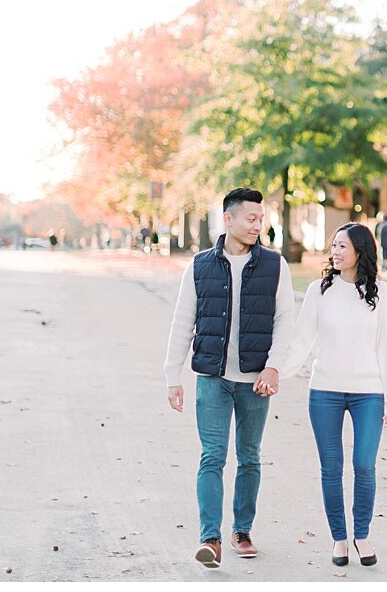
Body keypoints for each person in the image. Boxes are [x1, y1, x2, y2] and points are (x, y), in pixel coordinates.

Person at [164, 187, 294, 569]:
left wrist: (274, 366)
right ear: (229, 219)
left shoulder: (275, 264)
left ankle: (242, 530)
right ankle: (210, 538)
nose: (258, 225)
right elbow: (183, 321)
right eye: (251, 218)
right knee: (212, 456)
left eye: (261, 218)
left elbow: (285, 318)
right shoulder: (200, 265)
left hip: (256, 380)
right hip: (212, 378)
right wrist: (173, 375)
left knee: (249, 457)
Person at [264, 222, 387, 568]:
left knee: (363, 465)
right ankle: (339, 539)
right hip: (325, 390)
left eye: (343, 246)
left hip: (368, 393)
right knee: (331, 468)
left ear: (361, 250)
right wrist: (276, 373)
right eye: (333, 246)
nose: (335, 251)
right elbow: (302, 341)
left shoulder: (382, 294)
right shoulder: (319, 290)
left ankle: (362, 534)